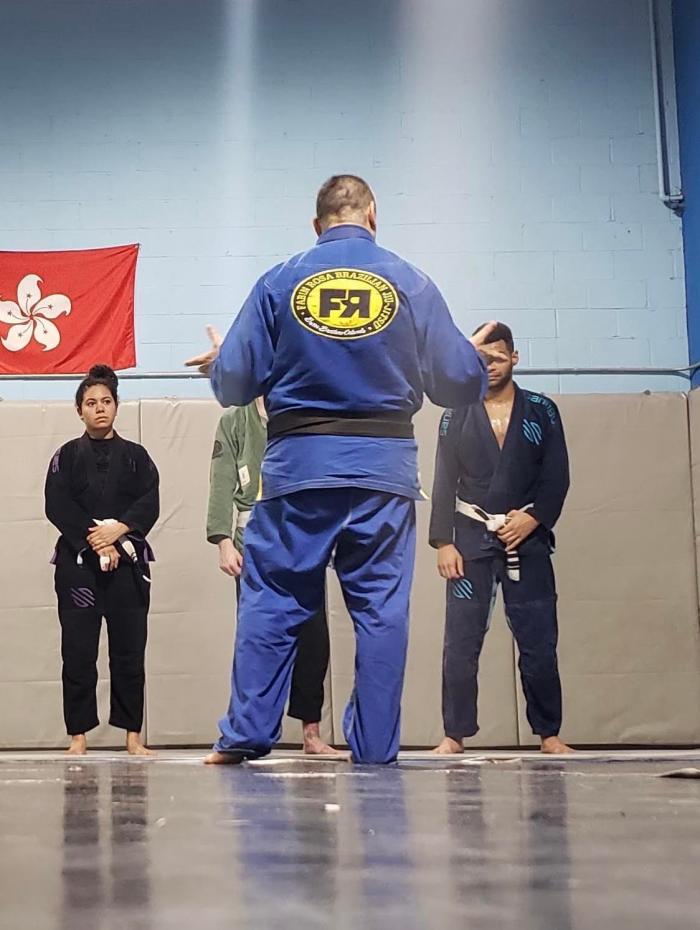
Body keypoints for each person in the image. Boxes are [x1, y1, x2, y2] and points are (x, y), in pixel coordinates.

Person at [186, 174, 497, 765]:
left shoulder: (279, 281)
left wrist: (222, 361)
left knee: (272, 602)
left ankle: (246, 733)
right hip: (383, 473)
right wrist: (473, 361)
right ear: (373, 216)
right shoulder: (411, 281)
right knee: (381, 613)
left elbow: (234, 385)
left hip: (299, 469)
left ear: (316, 224)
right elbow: (458, 384)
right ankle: (375, 747)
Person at [429, 322, 572, 755]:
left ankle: (549, 733)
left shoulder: (542, 411)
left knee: (539, 641)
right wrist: (443, 542)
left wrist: (535, 519)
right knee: (460, 642)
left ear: (514, 357)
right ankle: (454, 734)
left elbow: (556, 476)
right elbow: (444, 481)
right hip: (470, 541)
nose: (489, 365)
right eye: (481, 359)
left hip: (526, 540)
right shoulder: (455, 413)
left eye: (497, 357)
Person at [206, 396, 341, 755]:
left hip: (303, 541)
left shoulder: (304, 412)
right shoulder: (235, 422)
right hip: (253, 544)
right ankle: (248, 730)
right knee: (256, 641)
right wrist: (222, 541)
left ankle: (311, 732)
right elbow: (221, 481)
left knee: (314, 638)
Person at [45, 365, 159, 756]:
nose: (99, 408)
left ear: (116, 406)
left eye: (106, 401)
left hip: (127, 566)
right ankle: (78, 735)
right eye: (91, 403)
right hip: (78, 568)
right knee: (78, 651)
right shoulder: (65, 456)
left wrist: (120, 530)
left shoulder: (137, 457)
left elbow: (150, 501)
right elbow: (57, 505)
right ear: (79, 411)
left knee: (129, 651)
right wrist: (96, 540)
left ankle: (132, 735)